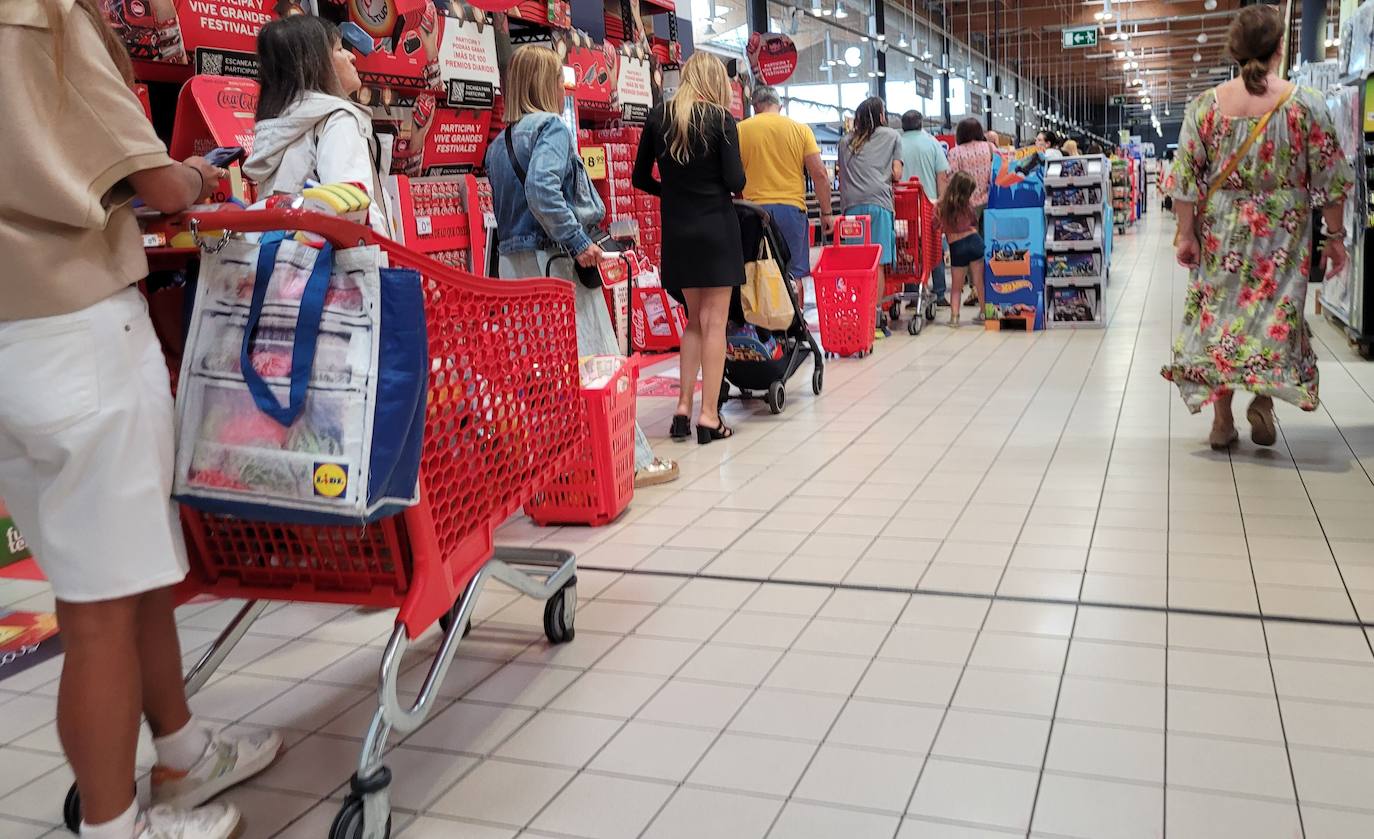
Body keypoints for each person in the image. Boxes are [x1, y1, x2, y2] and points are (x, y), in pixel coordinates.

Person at [0, 2, 284, 837]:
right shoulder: (39, 17)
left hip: (14, 342)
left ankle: (185, 753)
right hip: (77, 323)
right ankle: (115, 822)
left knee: (126, 580)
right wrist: (198, 175)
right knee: (96, 613)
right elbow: (157, 182)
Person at [1162, 4, 1351, 450]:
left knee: (1220, 319)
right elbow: (1331, 177)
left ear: (1234, 50)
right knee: (1273, 316)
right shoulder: (1306, 105)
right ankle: (1262, 402)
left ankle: (1222, 420)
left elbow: (1185, 181)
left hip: (1221, 231)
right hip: (1282, 236)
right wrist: (1336, 238)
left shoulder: (1205, 108)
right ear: (1280, 48)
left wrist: (1187, 234)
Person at [486, 46, 677, 485]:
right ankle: (628, 459)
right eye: (557, 79)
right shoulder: (551, 128)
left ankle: (563, 463)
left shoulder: (499, 144)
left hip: (516, 269)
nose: (562, 88)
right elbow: (542, 189)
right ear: (542, 84)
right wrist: (578, 242)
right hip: (558, 263)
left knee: (544, 371)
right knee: (598, 361)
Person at [633, 51, 745, 444]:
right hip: (716, 229)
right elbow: (735, 180)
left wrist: (672, 193)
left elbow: (638, 176)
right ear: (715, 82)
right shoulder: (721, 120)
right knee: (716, 324)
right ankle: (709, 416)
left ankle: (682, 406)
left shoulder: (659, 116)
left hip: (677, 232)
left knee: (693, 321)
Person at [244, 15, 394, 236]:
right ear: (316, 63)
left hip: (283, 263)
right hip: (335, 266)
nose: (352, 57)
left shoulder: (279, 128)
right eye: (339, 49)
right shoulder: (338, 119)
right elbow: (353, 213)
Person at [738, 85, 834, 286]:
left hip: (753, 212)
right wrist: (826, 212)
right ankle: (795, 317)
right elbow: (820, 174)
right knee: (793, 276)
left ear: (755, 106)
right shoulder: (800, 130)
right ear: (779, 106)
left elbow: (733, 176)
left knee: (756, 275)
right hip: (791, 210)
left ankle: (759, 318)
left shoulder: (740, 130)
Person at [837, 96, 903, 338]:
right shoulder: (893, 136)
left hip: (852, 209)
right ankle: (874, 319)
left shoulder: (844, 142)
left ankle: (856, 314)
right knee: (878, 264)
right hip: (879, 205)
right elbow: (896, 174)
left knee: (857, 265)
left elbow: (842, 174)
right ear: (881, 116)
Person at [898, 110, 951, 307]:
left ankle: (912, 293)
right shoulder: (932, 143)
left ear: (903, 125)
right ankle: (938, 293)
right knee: (933, 246)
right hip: (929, 205)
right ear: (920, 124)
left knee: (906, 249)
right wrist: (942, 202)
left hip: (902, 207)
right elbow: (942, 176)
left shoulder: (897, 143)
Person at [945, 117, 995, 307]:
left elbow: (952, 179)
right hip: (989, 203)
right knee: (986, 247)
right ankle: (986, 288)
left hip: (964, 208)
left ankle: (973, 287)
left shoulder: (955, 152)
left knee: (966, 250)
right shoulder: (990, 148)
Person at [935, 173, 985, 327]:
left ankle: (954, 317)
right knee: (979, 282)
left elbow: (935, 225)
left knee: (956, 287)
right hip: (974, 241)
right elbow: (974, 221)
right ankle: (985, 313)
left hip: (957, 247)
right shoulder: (968, 206)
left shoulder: (942, 206)